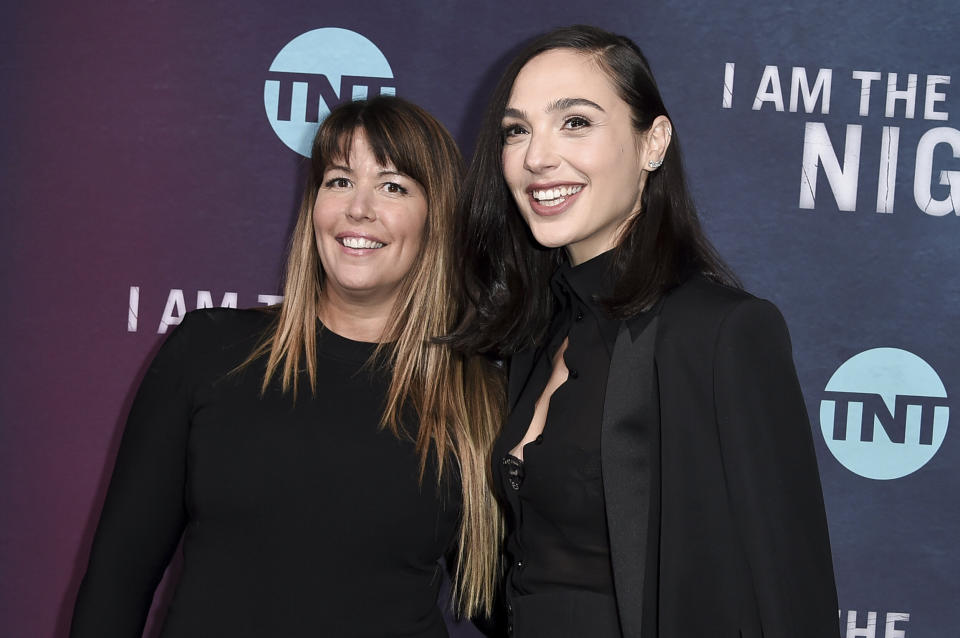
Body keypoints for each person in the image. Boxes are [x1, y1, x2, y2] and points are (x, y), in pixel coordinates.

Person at [449, 25, 840, 638]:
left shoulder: (721, 332)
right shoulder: (538, 335)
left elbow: (789, 594)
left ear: (653, 142)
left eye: (575, 121)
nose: (536, 157)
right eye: (516, 130)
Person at [70, 96, 504, 638]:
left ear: (436, 220)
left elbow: (507, 605)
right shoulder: (209, 351)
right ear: (314, 205)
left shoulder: (475, 393)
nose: (359, 208)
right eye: (339, 181)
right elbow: (117, 580)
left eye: (394, 186)